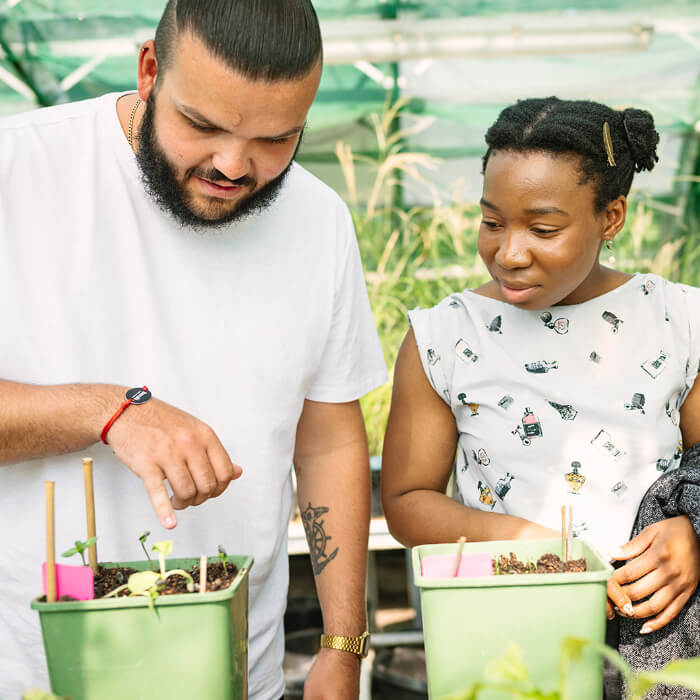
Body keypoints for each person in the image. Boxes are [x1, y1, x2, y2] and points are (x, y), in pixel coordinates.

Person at [0, 1, 387, 698]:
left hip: (241, 674)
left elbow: (327, 438)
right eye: (203, 126)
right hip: (30, 672)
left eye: (276, 138)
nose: (233, 165)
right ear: (149, 71)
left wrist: (341, 642)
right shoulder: (18, 169)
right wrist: (110, 409)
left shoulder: (319, 220)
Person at [382, 97, 700, 660]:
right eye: (491, 222)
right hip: (505, 635)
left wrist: (691, 531)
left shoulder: (679, 322)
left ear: (611, 217)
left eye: (544, 228)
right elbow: (408, 500)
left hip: (656, 636)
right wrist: (540, 548)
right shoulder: (446, 337)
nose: (509, 252)